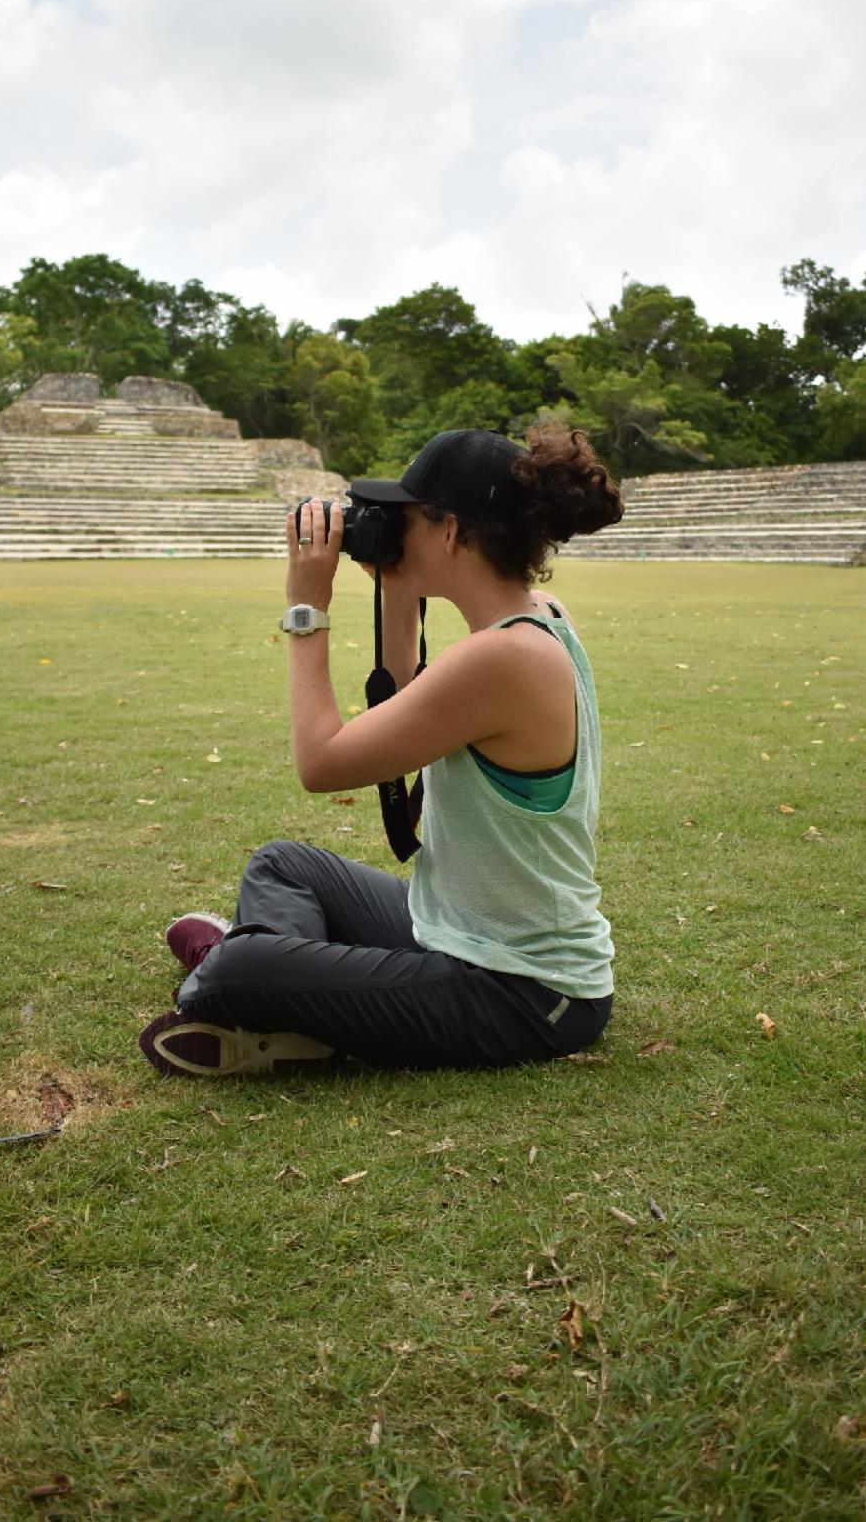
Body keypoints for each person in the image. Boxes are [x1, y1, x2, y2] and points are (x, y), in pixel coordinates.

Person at [138, 425, 623, 1078]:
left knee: (238, 971)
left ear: (449, 531)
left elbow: (322, 763)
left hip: (527, 990)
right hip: (454, 929)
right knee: (283, 865)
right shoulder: (541, 616)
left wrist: (306, 607)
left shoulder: (502, 659)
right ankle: (300, 989)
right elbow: (401, 707)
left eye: (405, 515)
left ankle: (255, 976)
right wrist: (399, 583)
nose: (388, 525)